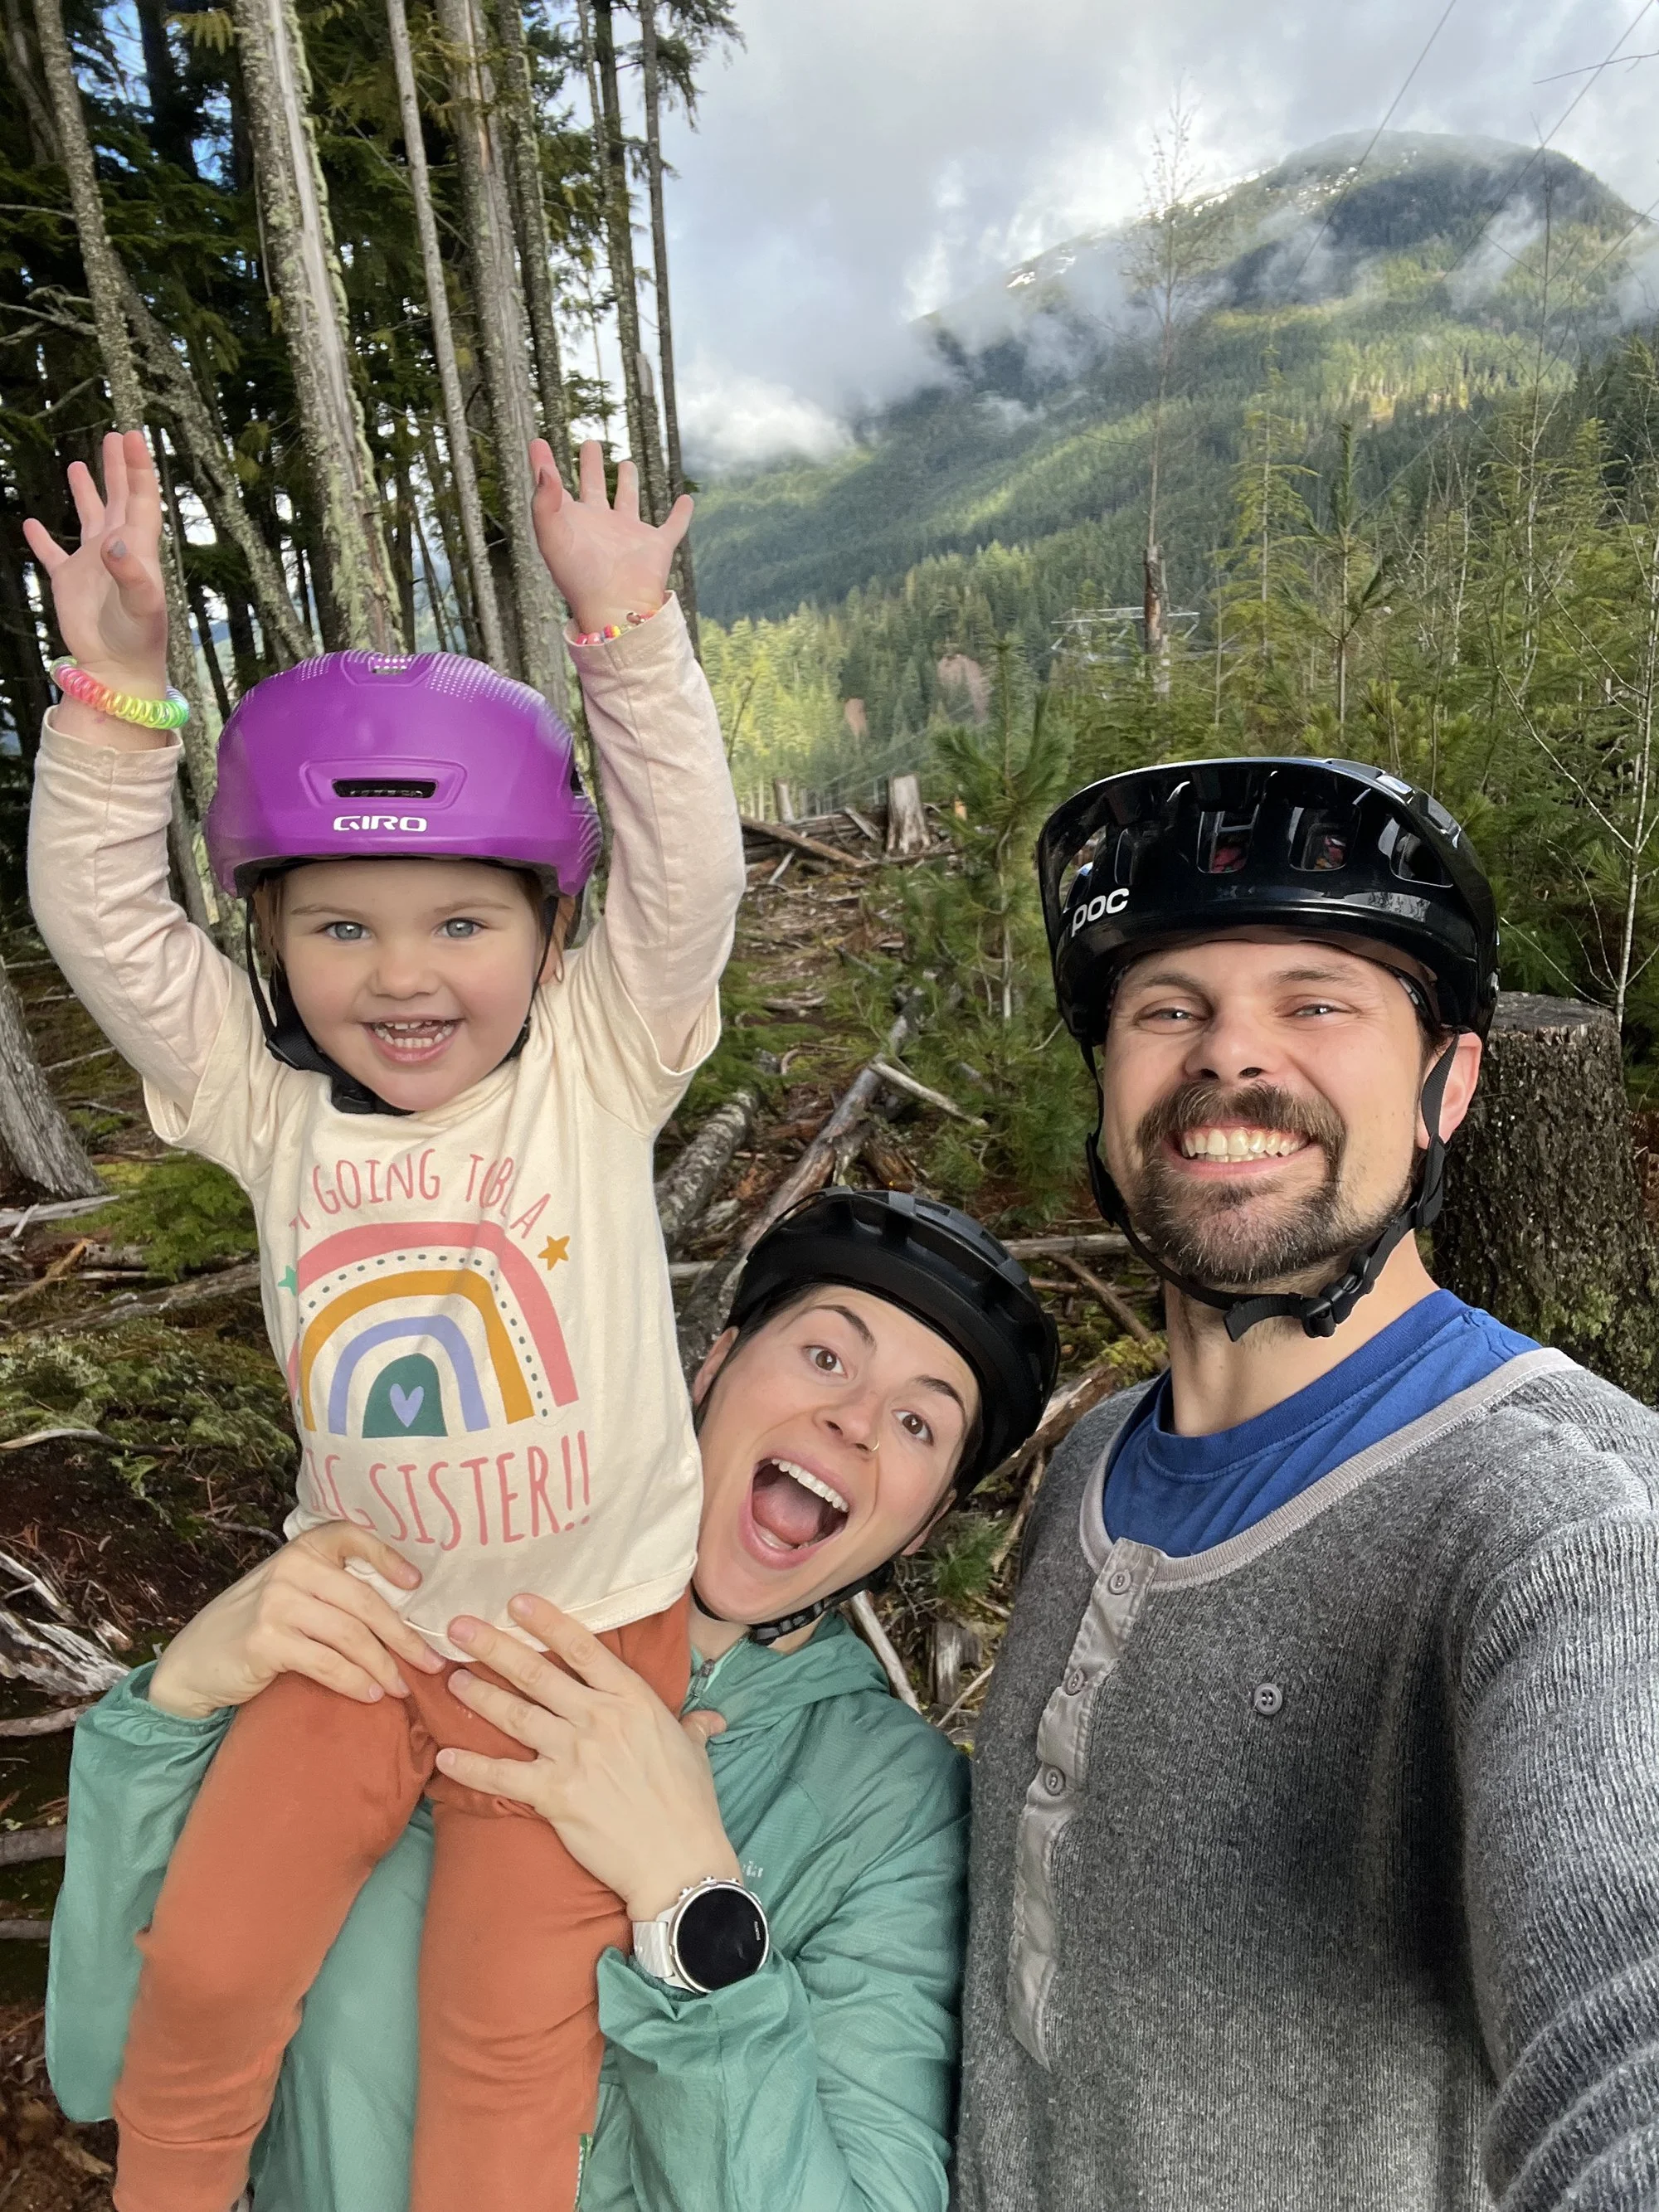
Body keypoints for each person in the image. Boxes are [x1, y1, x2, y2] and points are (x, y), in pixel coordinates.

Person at [24, 428, 746, 2212]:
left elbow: (689, 883)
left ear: (551, 932)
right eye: (339, 926)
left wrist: (628, 635)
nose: (404, 974)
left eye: (459, 921)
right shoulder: (264, 1099)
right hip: (352, 1620)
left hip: (577, 1652)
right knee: (211, 1959)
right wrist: (116, 705)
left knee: (504, 2042)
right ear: (269, 943)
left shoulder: (598, 1060)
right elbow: (103, 926)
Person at [46, 1187, 1058, 2212]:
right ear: (709, 1369)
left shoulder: (894, 1809)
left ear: (924, 1522)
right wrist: (174, 1711)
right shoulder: (422, 1609)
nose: (855, 1421)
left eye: (919, 1422)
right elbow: (101, 2067)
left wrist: (691, 1908)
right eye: (826, 1356)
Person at [957, 756, 1659, 2211]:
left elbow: (1623, 2007)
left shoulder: (1570, 1528)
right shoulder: (1093, 1465)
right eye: (1168, 1008)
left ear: (1450, 1084)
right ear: (1107, 1087)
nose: (1231, 1054)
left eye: (1316, 1001)